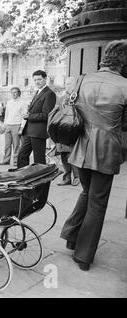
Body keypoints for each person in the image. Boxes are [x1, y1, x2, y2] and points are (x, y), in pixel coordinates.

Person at [60, 39, 127, 271]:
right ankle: (84, 255)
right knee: (98, 202)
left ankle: (71, 235)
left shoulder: (82, 79)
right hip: (106, 149)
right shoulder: (125, 85)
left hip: (81, 146)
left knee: (87, 192)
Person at [17, 70, 56, 168]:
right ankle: (22, 178)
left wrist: (28, 116)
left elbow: (46, 115)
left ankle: (41, 183)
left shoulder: (49, 93)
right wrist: (28, 113)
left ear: (45, 79)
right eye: (35, 80)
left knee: (39, 160)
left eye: (39, 79)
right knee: (22, 156)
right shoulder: (38, 92)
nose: (37, 82)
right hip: (29, 131)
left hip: (38, 133)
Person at [56, 77, 80, 186]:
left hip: (74, 129)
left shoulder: (79, 97)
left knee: (73, 154)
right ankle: (66, 178)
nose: (67, 86)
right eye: (66, 84)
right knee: (63, 154)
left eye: (69, 84)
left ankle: (77, 177)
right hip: (63, 130)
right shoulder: (62, 98)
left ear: (75, 84)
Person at [0, 87, 26, 166]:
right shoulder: (9, 102)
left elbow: (24, 117)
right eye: (12, 92)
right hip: (8, 125)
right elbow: (6, 114)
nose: (13, 94)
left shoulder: (22, 103)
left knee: (16, 145)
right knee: (7, 145)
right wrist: (4, 125)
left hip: (17, 125)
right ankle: (6, 160)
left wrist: (22, 128)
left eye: (15, 92)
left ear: (19, 93)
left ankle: (16, 161)